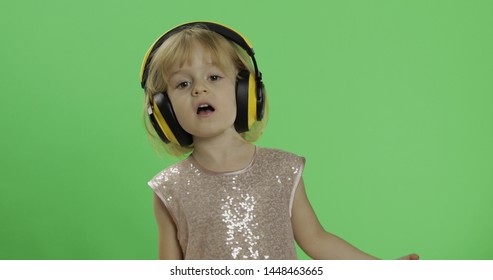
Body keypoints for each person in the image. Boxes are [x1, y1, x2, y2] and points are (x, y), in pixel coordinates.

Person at [140, 21, 419, 260]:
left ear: (245, 92)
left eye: (213, 77)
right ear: (164, 110)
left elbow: (317, 240)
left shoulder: (282, 170)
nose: (199, 88)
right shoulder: (169, 188)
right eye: (182, 84)